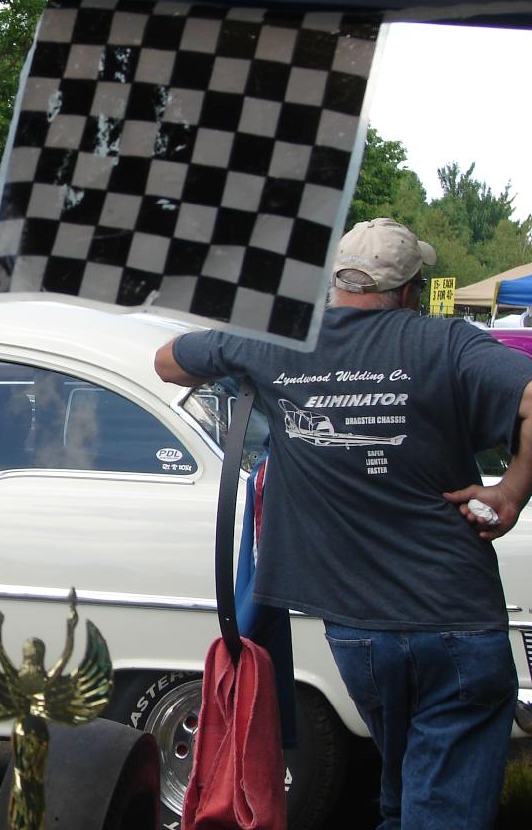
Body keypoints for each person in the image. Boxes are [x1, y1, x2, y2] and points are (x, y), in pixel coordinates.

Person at [153, 217, 532, 830]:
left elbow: (167, 362)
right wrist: (511, 492)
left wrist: (248, 338)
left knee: (405, 794)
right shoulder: (447, 343)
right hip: (456, 620)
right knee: (438, 804)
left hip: (357, 634)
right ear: (407, 289)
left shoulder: (280, 343)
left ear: (336, 283)